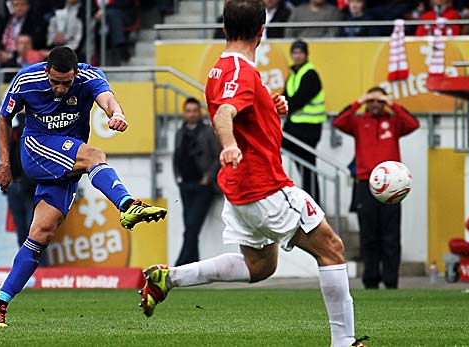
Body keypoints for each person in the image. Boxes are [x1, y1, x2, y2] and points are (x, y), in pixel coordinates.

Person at [138, 2, 368, 346]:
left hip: (240, 189)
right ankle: (344, 342)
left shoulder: (221, 68)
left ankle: (167, 278)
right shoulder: (241, 72)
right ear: (263, 31)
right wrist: (229, 145)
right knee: (332, 249)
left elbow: (236, 107)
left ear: (224, 28)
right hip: (265, 184)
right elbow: (224, 115)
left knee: (260, 266)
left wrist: (268, 106)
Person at [0, 46, 167, 327]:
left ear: (76, 73)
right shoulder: (26, 80)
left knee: (41, 233)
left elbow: (107, 99)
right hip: (37, 148)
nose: (59, 88)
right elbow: (4, 117)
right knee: (94, 156)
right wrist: (5, 163)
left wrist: (117, 114)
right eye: (54, 81)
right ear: (46, 71)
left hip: (65, 164)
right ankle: (127, 205)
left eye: (65, 83)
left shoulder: (90, 78)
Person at [332, 87, 419, 289]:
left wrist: (392, 103)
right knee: (368, 236)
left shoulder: (395, 121)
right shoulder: (359, 121)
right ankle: (370, 280)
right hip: (366, 185)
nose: (375, 105)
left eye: (379, 101)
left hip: (393, 188)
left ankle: (391, 281)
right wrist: (359, 100)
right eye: (372, 101)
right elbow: (338, 121)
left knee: (391, 236)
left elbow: (413, 123)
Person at [173, 97, 220, 266]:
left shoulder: (207, 132)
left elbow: (217, 156)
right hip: (185, 185)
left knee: (192, 226)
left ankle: (180, 264)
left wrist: (208, 178)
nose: (191, 114)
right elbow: (176, 156)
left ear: (199, 113)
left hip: (203, 187)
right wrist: (178, 178)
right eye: (188, 111)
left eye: (194, 111)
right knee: (189, 227)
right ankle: (193, 264)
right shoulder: (180, 132)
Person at [281, 40, 326, 206]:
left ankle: (314, 203)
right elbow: (285, 97)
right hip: (295, 127)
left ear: (306, 55)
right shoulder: (294, 74)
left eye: (300, 52)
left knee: (308, 168)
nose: (297, 55)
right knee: (305, 167)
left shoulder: (310, 74)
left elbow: (298, 100)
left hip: (308, 129)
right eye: (295, 52)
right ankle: (311, 202)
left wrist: (283, 106)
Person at [7, 112, 37, 249]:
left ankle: (39, 267)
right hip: (17, 186)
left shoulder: (38, 130)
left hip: (32, 187)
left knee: (35, 232)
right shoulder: (13, 133)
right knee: (23, 232)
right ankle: (25, 266)